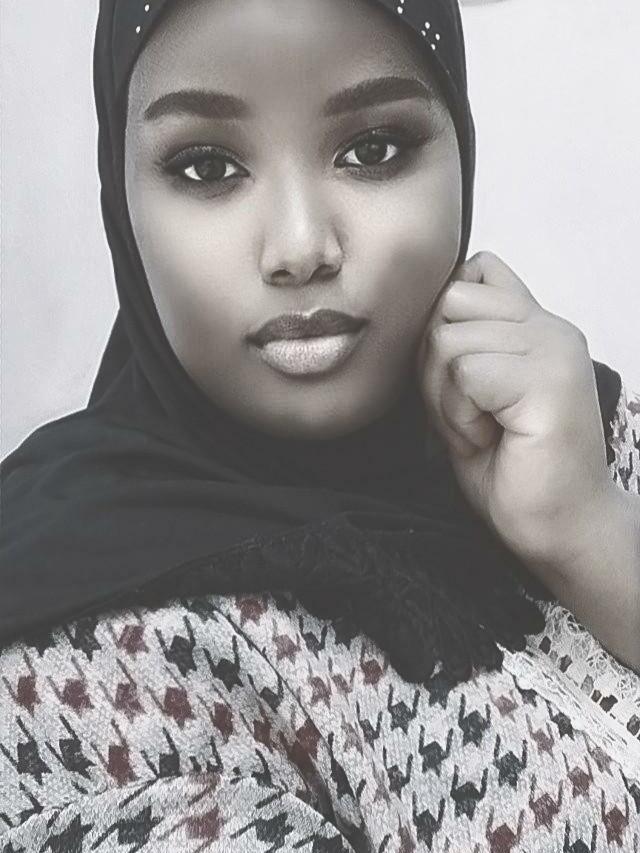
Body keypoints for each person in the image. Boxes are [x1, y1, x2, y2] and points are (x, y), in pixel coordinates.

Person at [1, 0, 638, 849]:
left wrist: (593, 536)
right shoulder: (83, 681)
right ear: (121, 196)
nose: (301, 247)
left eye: (373, 149)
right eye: (207, 166)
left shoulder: (573, 429)